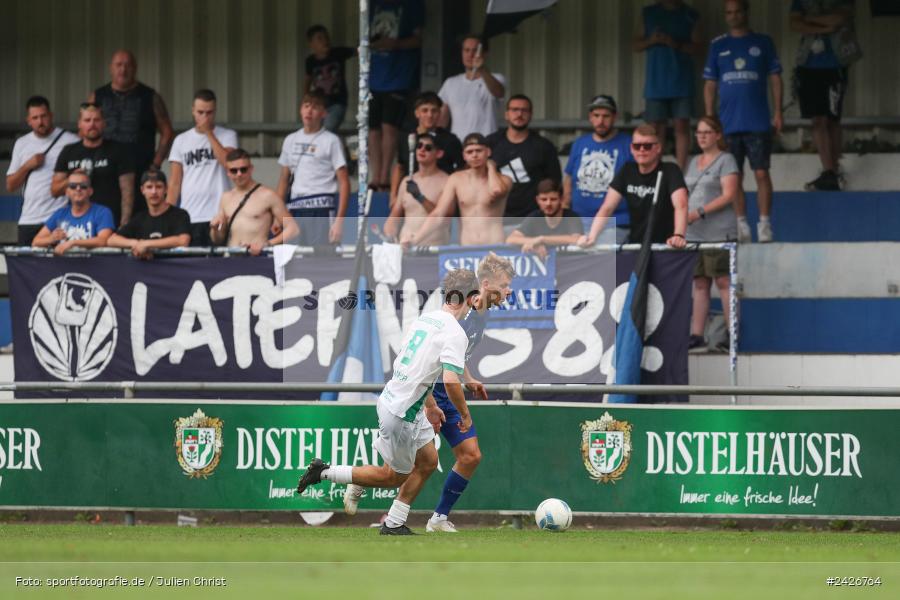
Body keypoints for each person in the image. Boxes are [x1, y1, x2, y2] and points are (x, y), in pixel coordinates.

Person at [297, 268, 476, 535]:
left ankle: (393, 523)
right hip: (402, 412)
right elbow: (451, 380)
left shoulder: (425, 320)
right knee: (393, 476)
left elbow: (412, 369)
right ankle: (323, 472)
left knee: (428, 461)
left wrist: (431, 406)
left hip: (402, 401)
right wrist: (465, 414)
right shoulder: (455, 333)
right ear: (471, 298)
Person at [342, 254, 514, 533]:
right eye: (504, 285)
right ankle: (374, 495)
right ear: (485, 285)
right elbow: (441, 359)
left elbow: (456, 355)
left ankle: (436, 519)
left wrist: (469, 378)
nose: (509, 291)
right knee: (407, 466)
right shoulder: (464, 314)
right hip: (434, 393)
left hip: (443, 390)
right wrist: (437, 403)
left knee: (467, 456)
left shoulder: (481, 312)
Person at [704, 0, 783, 244]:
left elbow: (775, 78)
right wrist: (709, 118)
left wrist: (778, 112)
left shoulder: (763, 42)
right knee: (733, 177)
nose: (733, 16)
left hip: (757, 121)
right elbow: (710, 84)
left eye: (738, 11)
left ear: (746, 12)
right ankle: (741, 225)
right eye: (729, 12)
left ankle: (765, 224)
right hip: (728, 124)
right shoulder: (718, 45)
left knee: (761, 173)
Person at [789, 0, 862, 191]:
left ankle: (834, 171)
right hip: (807, 65)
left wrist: (809, 19)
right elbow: (794, 23)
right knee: (817, 120)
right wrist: (824, 27)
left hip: (835, 64)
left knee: (832, 119)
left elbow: (839, 19)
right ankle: (828, 171)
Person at [577, 124, 688, 249]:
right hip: (636, 245)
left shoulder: (670, 170)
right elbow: (607, 207)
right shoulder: (627, 170)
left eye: (647, 146)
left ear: (658, 148)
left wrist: (678, 235)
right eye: (637, 146)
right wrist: (592, 236)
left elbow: (681, 205)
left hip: (667, 246)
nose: (641, 150)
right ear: (631, 148)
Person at [89, 49, 174, 208]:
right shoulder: (97, 96)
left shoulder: (150, 96)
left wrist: (155, 165)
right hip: (104, 171)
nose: (123, 69)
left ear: (135, 68)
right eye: (119, 65)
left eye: (127, 65)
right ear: (111, 68)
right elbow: (86, 129)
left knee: (138, 216)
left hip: (139, 171)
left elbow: (167, 132)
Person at [684, 117, 740, 352]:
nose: (702, 136)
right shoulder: (693, 161)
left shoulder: (726, 160)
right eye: (699, 132)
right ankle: (697, 334)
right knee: (699, 283)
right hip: (694, 233)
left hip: (719, 232)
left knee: (724, 282)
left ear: (718, 135)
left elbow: (729, 195)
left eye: (707, 132)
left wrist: (699, 212)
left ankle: (732, 334)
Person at [405, 133, 512, 247]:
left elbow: (496, 191)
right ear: (464, 156)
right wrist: (415, 240)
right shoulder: (456, 179)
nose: (474, 155)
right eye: (469, 152)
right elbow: (438, 214)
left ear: (488, 152)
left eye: (479, 151)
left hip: (494, 245)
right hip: (467, 247)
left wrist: (491, 167)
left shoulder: (504, 180)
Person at [633, 0, 704, 170]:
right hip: (656, 82)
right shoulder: (648, 13)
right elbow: (635, 45)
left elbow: (699, 48)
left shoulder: (691, 15)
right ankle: (654, 170)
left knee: (682, 126)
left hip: (682, 81)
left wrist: (676, 44)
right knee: (655, 129)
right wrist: (652, 40)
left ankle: (680, 172)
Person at [276, 91, 350, 246]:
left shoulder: (331, 141)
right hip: (295, 209)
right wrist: (277, 214)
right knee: (293, 255)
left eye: (315, 107)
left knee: (321, 256)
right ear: (300, 110)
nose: (309, 111)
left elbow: (344, 182)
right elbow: (283, 180)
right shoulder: (290, 140)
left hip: (321, 209)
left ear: (324, 113)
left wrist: (339, 221)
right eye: (306, 106)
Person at [166, 89, 238, 246]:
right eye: (200, 112)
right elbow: (174, 183)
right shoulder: (181, 140)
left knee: (219, 258)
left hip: (218, 214)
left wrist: (209, 134)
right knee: (192, 259)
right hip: (189, 214)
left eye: (209, 113)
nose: (205, 117)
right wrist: (168, 216)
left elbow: (228, 163)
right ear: (193, 110)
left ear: (215, 111)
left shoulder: (228, 135)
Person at [6, 96, 79, 245]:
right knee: (26, 260)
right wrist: (27, 166)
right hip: (29, 218)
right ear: (28, 120)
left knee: (60, 260)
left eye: (43, 116)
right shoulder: (22, 143)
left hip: (59, 217)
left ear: (51, 115)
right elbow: (11, 185)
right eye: (35, 118)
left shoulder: (71, 140)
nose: (40, 121)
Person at [368, 0, 425, 191]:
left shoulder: (412, 5)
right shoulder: (372, 4)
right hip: (372, 77)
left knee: (388, 126)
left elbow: (418, 39)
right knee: (372, 129)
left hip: (398, 78)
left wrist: (394, 44)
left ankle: (385, 178)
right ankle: (375, 176)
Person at [563, 94, 634, 242]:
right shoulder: (579, 143)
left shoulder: (629, 144)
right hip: (579, 223)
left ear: (615, 117)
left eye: (606, 116)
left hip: (616, 223)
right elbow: (568, 179)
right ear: (590, 117)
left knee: (601, 256)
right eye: (596, 115)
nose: (600, 121)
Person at [52, 103, 135, 226]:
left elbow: (128, 192)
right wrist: (72, 179)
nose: (92, 124)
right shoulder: (69, 151)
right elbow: (54, 191)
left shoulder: (118, 150)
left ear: (104, 123)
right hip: (76, 223)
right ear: (79, 124)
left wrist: (124, 224)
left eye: (96, 120)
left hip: (109, 221)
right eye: (87, 120)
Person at [486, 94, 561, 226]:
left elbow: (555, 183)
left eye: (524, 110)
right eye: (515, 110)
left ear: (531, 115)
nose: (519, 114)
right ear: (506, 114)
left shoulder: (544, 146)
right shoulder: (491, 143)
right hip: (496, 217)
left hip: (532, 219)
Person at [211, 149, 298, 255]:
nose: (239, 174)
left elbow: (293, 229)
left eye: (243, 169)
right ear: (228, 172)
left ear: (251, 169)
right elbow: (218, 240)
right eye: (234, 170)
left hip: (257, 257)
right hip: (231, 256)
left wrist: (268, 244)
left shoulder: (267, 195)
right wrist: (214, 229)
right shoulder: (225, 197)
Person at [390, 91, 463, 206]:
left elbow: (461, 170)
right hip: (409, 197)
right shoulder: (406, 137)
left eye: (434, 111)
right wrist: (393, 195)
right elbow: (400, 167)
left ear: (439, 113)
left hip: (439, 199)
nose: (430, 115)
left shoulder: (451, 140)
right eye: (425, 110)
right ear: (417, 113)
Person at [383, 133, 451, 246]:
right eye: (419, 146)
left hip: (432, 248)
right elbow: (394, 216)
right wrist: (390, 236)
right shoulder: (406, 181)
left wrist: (420, 197)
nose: (422, 150)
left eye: (428, 147)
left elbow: (444, 220)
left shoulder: (447, 181)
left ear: (439, 153)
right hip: (405, 247)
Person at [107, 168, 191, 259]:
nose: (154, 192)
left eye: (158, 187)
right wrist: (136, 244)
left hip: (173, 267)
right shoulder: (139, 218)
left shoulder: (180, 215)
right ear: (142, 190)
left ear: (166, 189)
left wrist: (146, 244)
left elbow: (183, 240)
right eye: (149, 187)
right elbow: (111, 240)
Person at [439, 35, 506, 140]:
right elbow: (442, 119)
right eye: (466, 50)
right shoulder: (450, 83)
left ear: (485, 54)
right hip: (459, 144)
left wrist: (482, 69)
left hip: (487, 142)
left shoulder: (497, 78)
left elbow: (499, 92)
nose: (470, 54)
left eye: (475, 50)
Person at [32, 170, 114, 255]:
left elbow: (103, 240)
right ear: (67, 192)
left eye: (83, 186)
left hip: (92, 263)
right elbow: (36, 241)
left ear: (90, 191)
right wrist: (52, 238)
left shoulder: (102, 212)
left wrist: (73, 243)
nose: (78, 189)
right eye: (73, 186)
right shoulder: (60, 213)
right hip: (64, 263)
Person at [506, 179, 583, 259]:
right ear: (537, 200)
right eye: (544, 199)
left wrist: (542, 239)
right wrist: (534, 243)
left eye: (553, 199)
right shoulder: (535, 217)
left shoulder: (571, 217)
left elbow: (576, 239)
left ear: (561, 199)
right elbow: (511, 239)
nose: (548, 203)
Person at [304, 25, 356, 133]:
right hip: (319, 104)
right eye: (320, 38)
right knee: (316, 131)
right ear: (311, 44)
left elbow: (359, 50)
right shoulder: (310, 61)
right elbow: (307, 80)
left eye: (326, 37)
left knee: (328, 129)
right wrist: (306, 99)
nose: (325, 41)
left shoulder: (338, 53)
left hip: (337, 103)